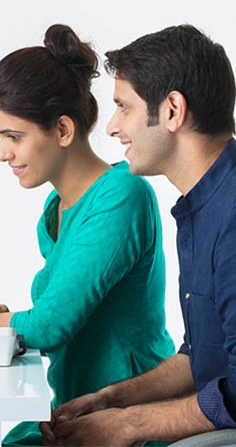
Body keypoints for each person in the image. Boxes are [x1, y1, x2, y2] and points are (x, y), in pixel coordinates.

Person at [0, 24, 174, 446]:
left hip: (126, 423)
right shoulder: (54, 211)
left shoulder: (121, 196)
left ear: (63, 130)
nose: (2, 152)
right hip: (70, 413)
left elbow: (51, 325)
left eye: (13, 136)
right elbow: (58, 313)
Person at [42, 24, 236, 446]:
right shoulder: (200, 207)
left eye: (123, 107)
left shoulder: (232, 214)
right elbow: (201, 357)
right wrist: (112, 399)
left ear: (172, 111)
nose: (112, 127)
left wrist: (128, 425)